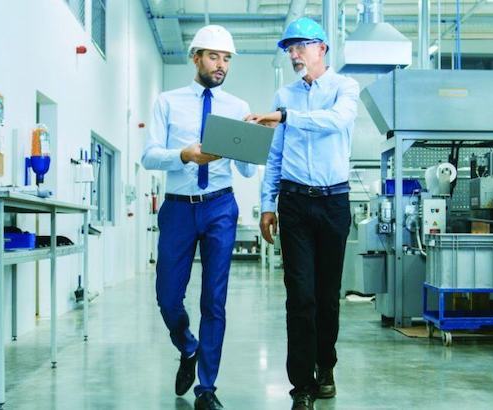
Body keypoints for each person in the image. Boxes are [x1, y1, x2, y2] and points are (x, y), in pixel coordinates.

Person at [245, 17, 359, 410]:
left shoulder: (345, 87)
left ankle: (325, 366)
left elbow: (337, 122)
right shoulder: (284, 94)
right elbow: (275, 156)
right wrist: (266, 204)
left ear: (321, 49)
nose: (294, 54)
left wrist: (288, 117)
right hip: (293, 204)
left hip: (333, 203)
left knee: (327, 297)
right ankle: (302, 386)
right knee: (300, 297)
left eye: (300, 46)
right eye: (289, 48)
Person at [141, 25, 255, 410]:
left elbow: (248, 172)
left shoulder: (237, 108)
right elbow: (148, 155)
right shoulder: (167, 102)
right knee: (167, 297)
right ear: (195, 57)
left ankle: (207, 387)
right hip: (177, 206)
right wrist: (184, 155)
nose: (221, 65)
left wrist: (250, 142)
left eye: (226, 59)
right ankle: (187, 346)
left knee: (214, 300)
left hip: (220, 205)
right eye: (213, 56)